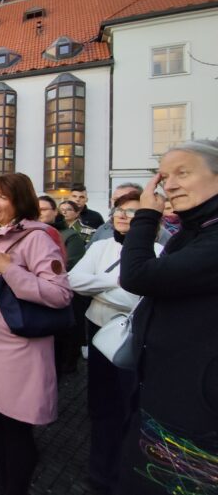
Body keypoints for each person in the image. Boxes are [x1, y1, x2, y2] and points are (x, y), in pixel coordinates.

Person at [116, 139, 218, 495]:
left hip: (197, 410)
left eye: (182, 173)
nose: (169, 185)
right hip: (169, 392)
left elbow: (137, 275)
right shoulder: (196, 231)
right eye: (164, 176)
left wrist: (146, 216)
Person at [0, 173, 72, 495]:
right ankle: (3, 482)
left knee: (16, 428)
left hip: (19, 350)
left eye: (2, 197)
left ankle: (16, 488)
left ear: (20, 200)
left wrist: (10, 270)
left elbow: (60, 294)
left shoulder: (37, 238)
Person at [68, 191, 163, 494]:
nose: (123, 216)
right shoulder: (101, 247)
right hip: (99, 333)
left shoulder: (158, 251)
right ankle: (100, 472)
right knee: (101, 405)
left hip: (134, 337)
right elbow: (74, 280)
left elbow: (144, 296)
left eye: (133, 212)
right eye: (119, 210)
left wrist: (101, 288)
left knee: (128, 406)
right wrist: (116, 282)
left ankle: (124, 472)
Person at [39, 194, 86, 377]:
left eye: (44, 209)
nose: (39, 212)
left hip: (61, 293)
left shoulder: (69, 235)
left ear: (55, 212)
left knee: (61, 342)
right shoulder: (34, 232)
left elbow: (70, 264)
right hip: (38, 294)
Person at [88, 183, 171, 247]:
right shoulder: (102, 235)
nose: (122, 216)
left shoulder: (160, 237)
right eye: (116, 199)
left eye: (131, 211)